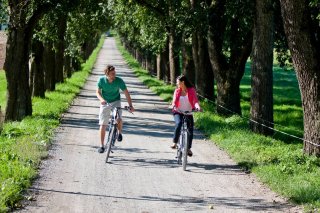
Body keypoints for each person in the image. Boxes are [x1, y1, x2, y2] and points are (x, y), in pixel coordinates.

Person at [96, 65, 134, 153]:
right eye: (112, 74)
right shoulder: (101, 80)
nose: (114, 75)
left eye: (115, 73)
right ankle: (101, 146)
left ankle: (119, 133)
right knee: (103, 124)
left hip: (116, 101)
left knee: (119, 119)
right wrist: (101, 100)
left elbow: (126, 93)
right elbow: (97, 92)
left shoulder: (119, 81)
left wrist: (130, 105)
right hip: (105, 102)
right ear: (107, 74)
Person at [171, 75, 201, 157]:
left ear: (183, 82)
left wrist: (198, 107)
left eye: (178, 82)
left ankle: (188, 148)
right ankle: (175, 142)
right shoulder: (177, 91)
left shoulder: (191, 91)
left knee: (190, 130)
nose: (177, 84)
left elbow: (195, 101)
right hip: (178, 111)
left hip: (188, 112)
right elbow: (174, 101)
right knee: (179, 123)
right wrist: (173, 106)